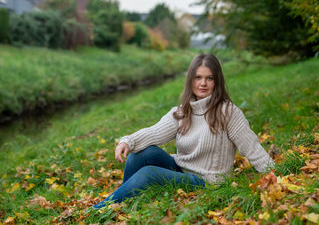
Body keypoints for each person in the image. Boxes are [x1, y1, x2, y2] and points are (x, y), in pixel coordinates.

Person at [93, 54, 274, 208]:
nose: (203, 83)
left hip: (208, 182)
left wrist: (277, 175)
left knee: (149, 174)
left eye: (209, 78)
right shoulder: (182, 111)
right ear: (190, 80)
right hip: (181, 170)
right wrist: (127, 141)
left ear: (217, 82)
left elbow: (251, 147)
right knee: (140, 154)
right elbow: (153, 132)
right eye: (198, 77)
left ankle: (98, 210)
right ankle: (123, 201)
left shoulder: (228, 112)